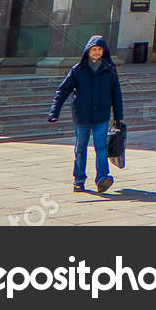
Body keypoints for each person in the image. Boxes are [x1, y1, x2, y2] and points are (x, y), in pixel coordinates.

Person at [47, 35, 124, 194]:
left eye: (99, 50)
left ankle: (103, 178)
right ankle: (79, 180)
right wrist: (54, 111)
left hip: (101, 115)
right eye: (93, 49)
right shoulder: (77, 69)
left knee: (101, 147)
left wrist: (118, 116)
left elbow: (116, 93)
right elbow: (62, 91)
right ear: (88, 51)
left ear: (104, 51)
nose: (96, 52)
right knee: (80, 148)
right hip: (82, 116)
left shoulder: (109, 69)